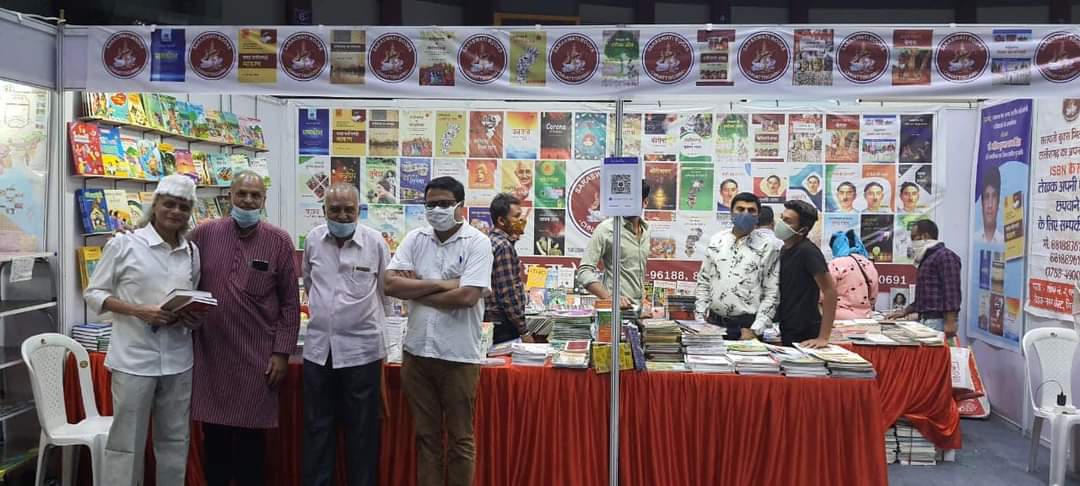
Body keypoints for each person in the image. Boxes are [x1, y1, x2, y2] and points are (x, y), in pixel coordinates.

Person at [84, 175, 201, 486]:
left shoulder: (191, 250)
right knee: (126, 442)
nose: (175, 211)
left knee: (176, 440)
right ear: (155, 205)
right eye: (169, 204)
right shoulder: (124, 243)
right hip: (133, 359)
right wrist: (137, 310)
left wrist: (190, 316)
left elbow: (194, 294)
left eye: (183, 207)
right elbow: (93, 293)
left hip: (178, 358)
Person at [188, 171, 300, 486]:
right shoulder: (204, 233)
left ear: (264, 201)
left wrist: (281, 353)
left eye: (255, 196)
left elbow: (290, 303)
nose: (248, 201)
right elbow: (172, 257)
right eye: (242, 194)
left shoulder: (279, 240)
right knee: (216, 441)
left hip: (258, 357)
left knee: (252, 444)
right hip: (212, 356)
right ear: (229, 197)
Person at [384, 176, 494, 486]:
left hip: (459, 356)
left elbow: (467, 297)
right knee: (426, 437)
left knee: (460, 439)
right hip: (417, 353)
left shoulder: (478, 242)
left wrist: (416, 289)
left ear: (461, 207)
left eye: (444, 204)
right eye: (431, 204)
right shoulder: (416, 238)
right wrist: (446, 283)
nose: (437, 209)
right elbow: (390, 284)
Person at [302, 183, 391, 486]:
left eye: (348, 210)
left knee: (362, 434)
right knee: (317, 429)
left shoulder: (375, 243)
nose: (341, 216)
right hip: (318, 352)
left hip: (361, 353)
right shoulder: (313, 240)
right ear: (324, 210)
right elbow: (309, 284)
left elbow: (385, 296)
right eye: (334, 210)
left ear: (358, 210)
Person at [694, 192, 780, 340]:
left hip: (747, 328)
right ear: (731, 213)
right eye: (740, 209)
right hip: (712, 325)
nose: (745, 214)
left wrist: (756, 330)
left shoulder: (769, 246)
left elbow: (772, 293)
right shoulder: (717, 240)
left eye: (751, 210)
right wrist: (700, 320)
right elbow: (704, 282)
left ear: (758, 216)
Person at [576, 180, 651, 310]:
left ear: (645, 202)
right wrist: (609, 298)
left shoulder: (646, 231)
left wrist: (644, 301)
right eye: (626, 199)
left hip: (638, 312)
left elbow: (636, 273)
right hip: (614, 312)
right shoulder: (607, 229)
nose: (627, 204)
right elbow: (584, 272)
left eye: (633, 201)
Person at [775, 200, 838, 348]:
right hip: (788, 326)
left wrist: (823, 337)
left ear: (802, 230)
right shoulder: (784, 250)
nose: (781, 223)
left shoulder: (808, 251)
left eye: (788, 221)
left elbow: (830, 291)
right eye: (782, 218)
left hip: (806, 331)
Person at [888, 219, 961, 336]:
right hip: (925, 320)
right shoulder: (926, 259)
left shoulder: (945, 256)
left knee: (936, 354)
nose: (911, 242)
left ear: (925, 236)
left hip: (939, 321)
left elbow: (951, 291)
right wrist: (905, 311)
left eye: (914, 237)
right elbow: (924, 297)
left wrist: (950, 322)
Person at [485, 193, 529, 344]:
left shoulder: (489, 241)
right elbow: (508, 294)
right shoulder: (503, 247)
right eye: (516, 216)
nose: (522, 220)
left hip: (490, 321)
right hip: (502, 323)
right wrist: (524, 331)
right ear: (501, 221)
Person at [826, 230, 880, 320]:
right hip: (865, 318)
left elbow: (825, 293)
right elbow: (873, 297)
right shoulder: (868, 264)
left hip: (839, 318)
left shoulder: (835, 264)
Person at [979, 165, 1003, 244]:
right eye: (986, 196)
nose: (990, 205)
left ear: (998, 201)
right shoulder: (976, 239)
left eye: (994, 196)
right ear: (982, 202)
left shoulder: (1003, 242)